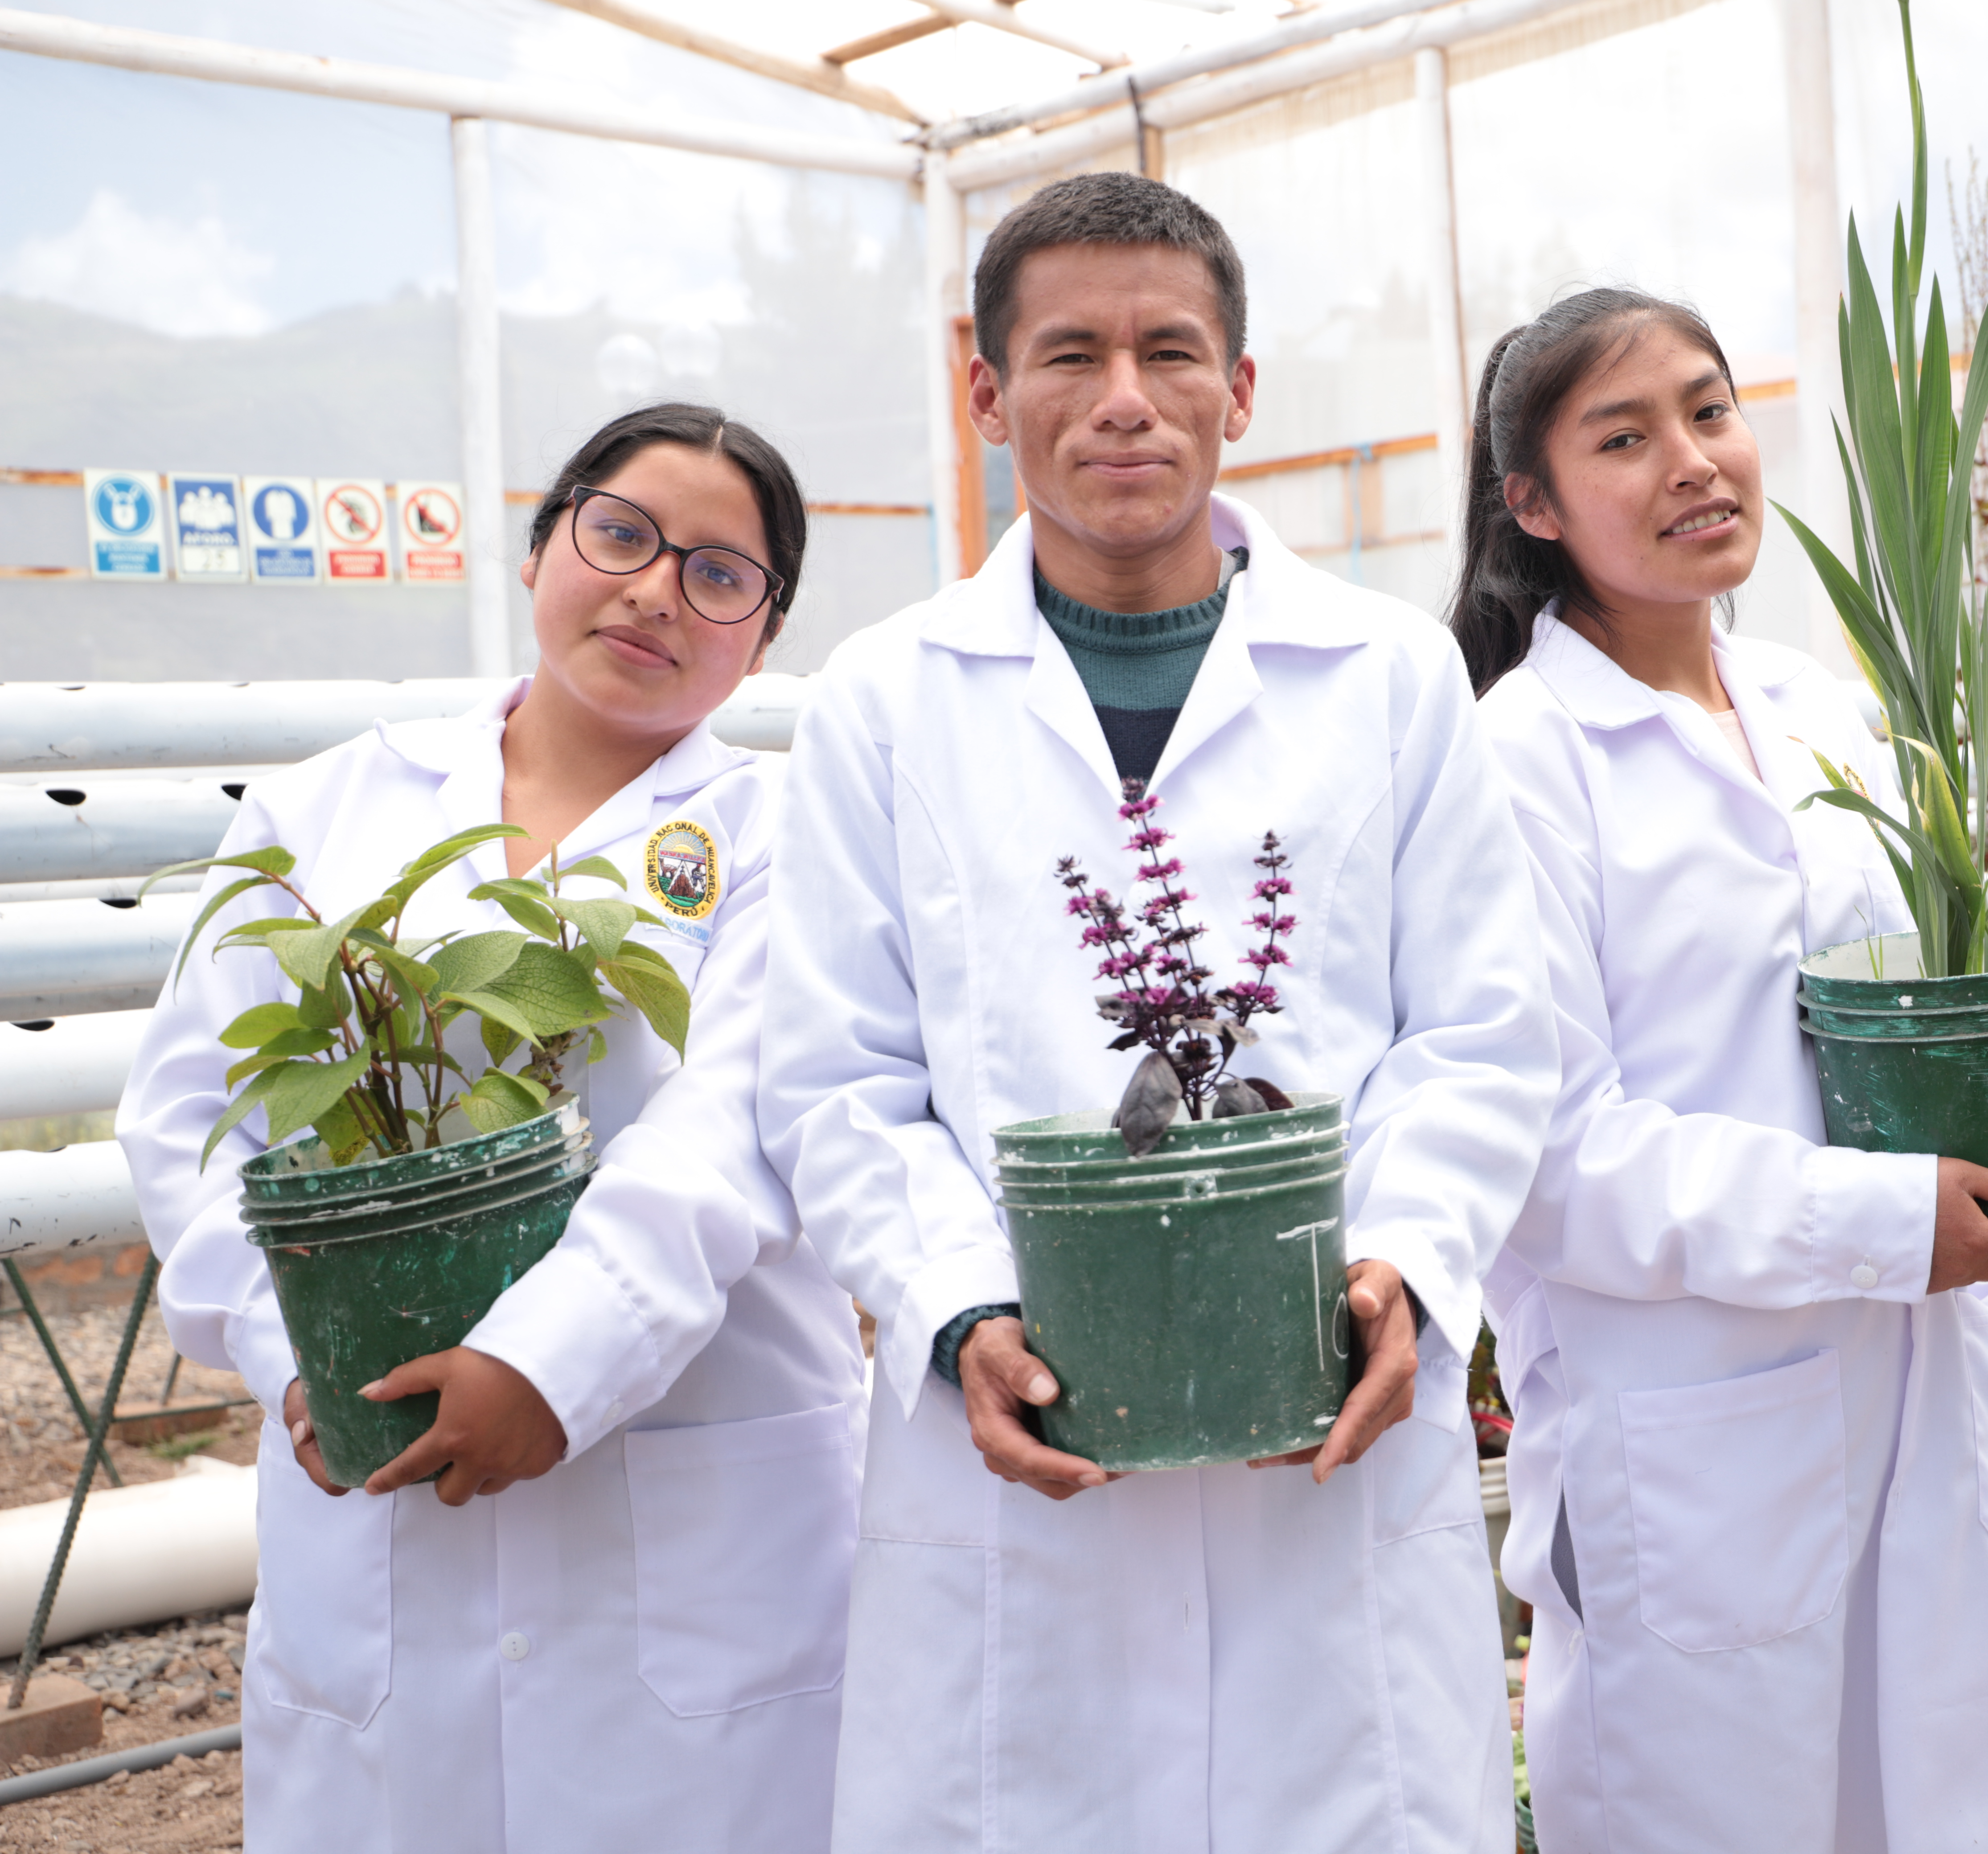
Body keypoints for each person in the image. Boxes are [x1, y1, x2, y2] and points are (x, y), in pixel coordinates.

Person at [756, 171, 1554, 1853]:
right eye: (1068, 355)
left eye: (1171, 351)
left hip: (1323, 1439)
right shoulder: (880, 706)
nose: (1124, 399)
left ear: (1239, 391)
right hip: (1029, 1461)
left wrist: (1403, 1261)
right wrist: (964, 1311)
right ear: (987, 396)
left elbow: (1477, 1030)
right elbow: (838, 1077)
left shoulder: (1392, 676)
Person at [1450, 290, 1988, 1852]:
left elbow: (1902, 1027)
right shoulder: (1516, 761)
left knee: (1933, 1808)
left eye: (1711, 412)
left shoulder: (1820, 714)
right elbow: (1555, 1162)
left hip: (1907, 1399)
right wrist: (1886, 1221)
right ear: (1535, 504)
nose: (1694, 461)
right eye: (1623, 438)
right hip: (1688, 1447)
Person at [117, 405, 865, 1854]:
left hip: (701, 1494)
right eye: (624, 534)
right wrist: (306, 1363)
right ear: (543, 547)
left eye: (722, 573)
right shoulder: (331, 810)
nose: (658, 590)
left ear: (761, 640)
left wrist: (544, 1366)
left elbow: (727, 1141)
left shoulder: (793, 833)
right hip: (374, 1475)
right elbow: (199, 1123)